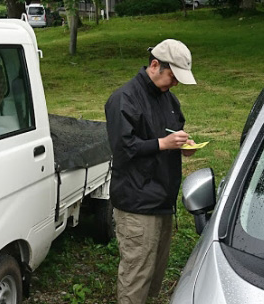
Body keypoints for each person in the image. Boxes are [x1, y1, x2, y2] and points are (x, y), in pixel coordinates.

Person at [104, 39, 197, 304]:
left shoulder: (168, 98)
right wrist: (163, 144)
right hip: (137, 202)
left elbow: (171, 133)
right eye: (172, 76)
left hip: (161, 198)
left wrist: (182, 146)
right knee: (136, 273)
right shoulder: (123, 99)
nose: (175, 83)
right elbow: (122, 150)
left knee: (154, 267)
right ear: (155, 65)